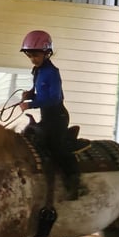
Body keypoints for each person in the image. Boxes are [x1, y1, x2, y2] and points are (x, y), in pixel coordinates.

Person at [19, 30, 79, 200]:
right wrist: (30, 94)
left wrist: (31, 104)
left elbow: (54, 98)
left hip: (57, 117)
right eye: (30, 55)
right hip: (47, 117)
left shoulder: (52, 73)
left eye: (36, 55)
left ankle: (73, 179)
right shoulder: (37, 70)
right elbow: (40, 91)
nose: (33, 59)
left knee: (55, 146)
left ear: (46, 53)